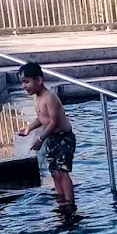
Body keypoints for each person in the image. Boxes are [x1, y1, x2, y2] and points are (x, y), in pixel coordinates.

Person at [17, 61, 76, 207]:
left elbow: (54, 122)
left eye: (27, 82)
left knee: (62, 172)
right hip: (52, 138)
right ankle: (61, 200)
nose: (24, 86)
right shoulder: (37, 97)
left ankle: (70, 203)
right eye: (22, 83)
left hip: (63, 138)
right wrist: (29, 128)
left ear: (39, 80)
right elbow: (42, 118)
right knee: (54, 172)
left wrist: (40, 139)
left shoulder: (49, 97)